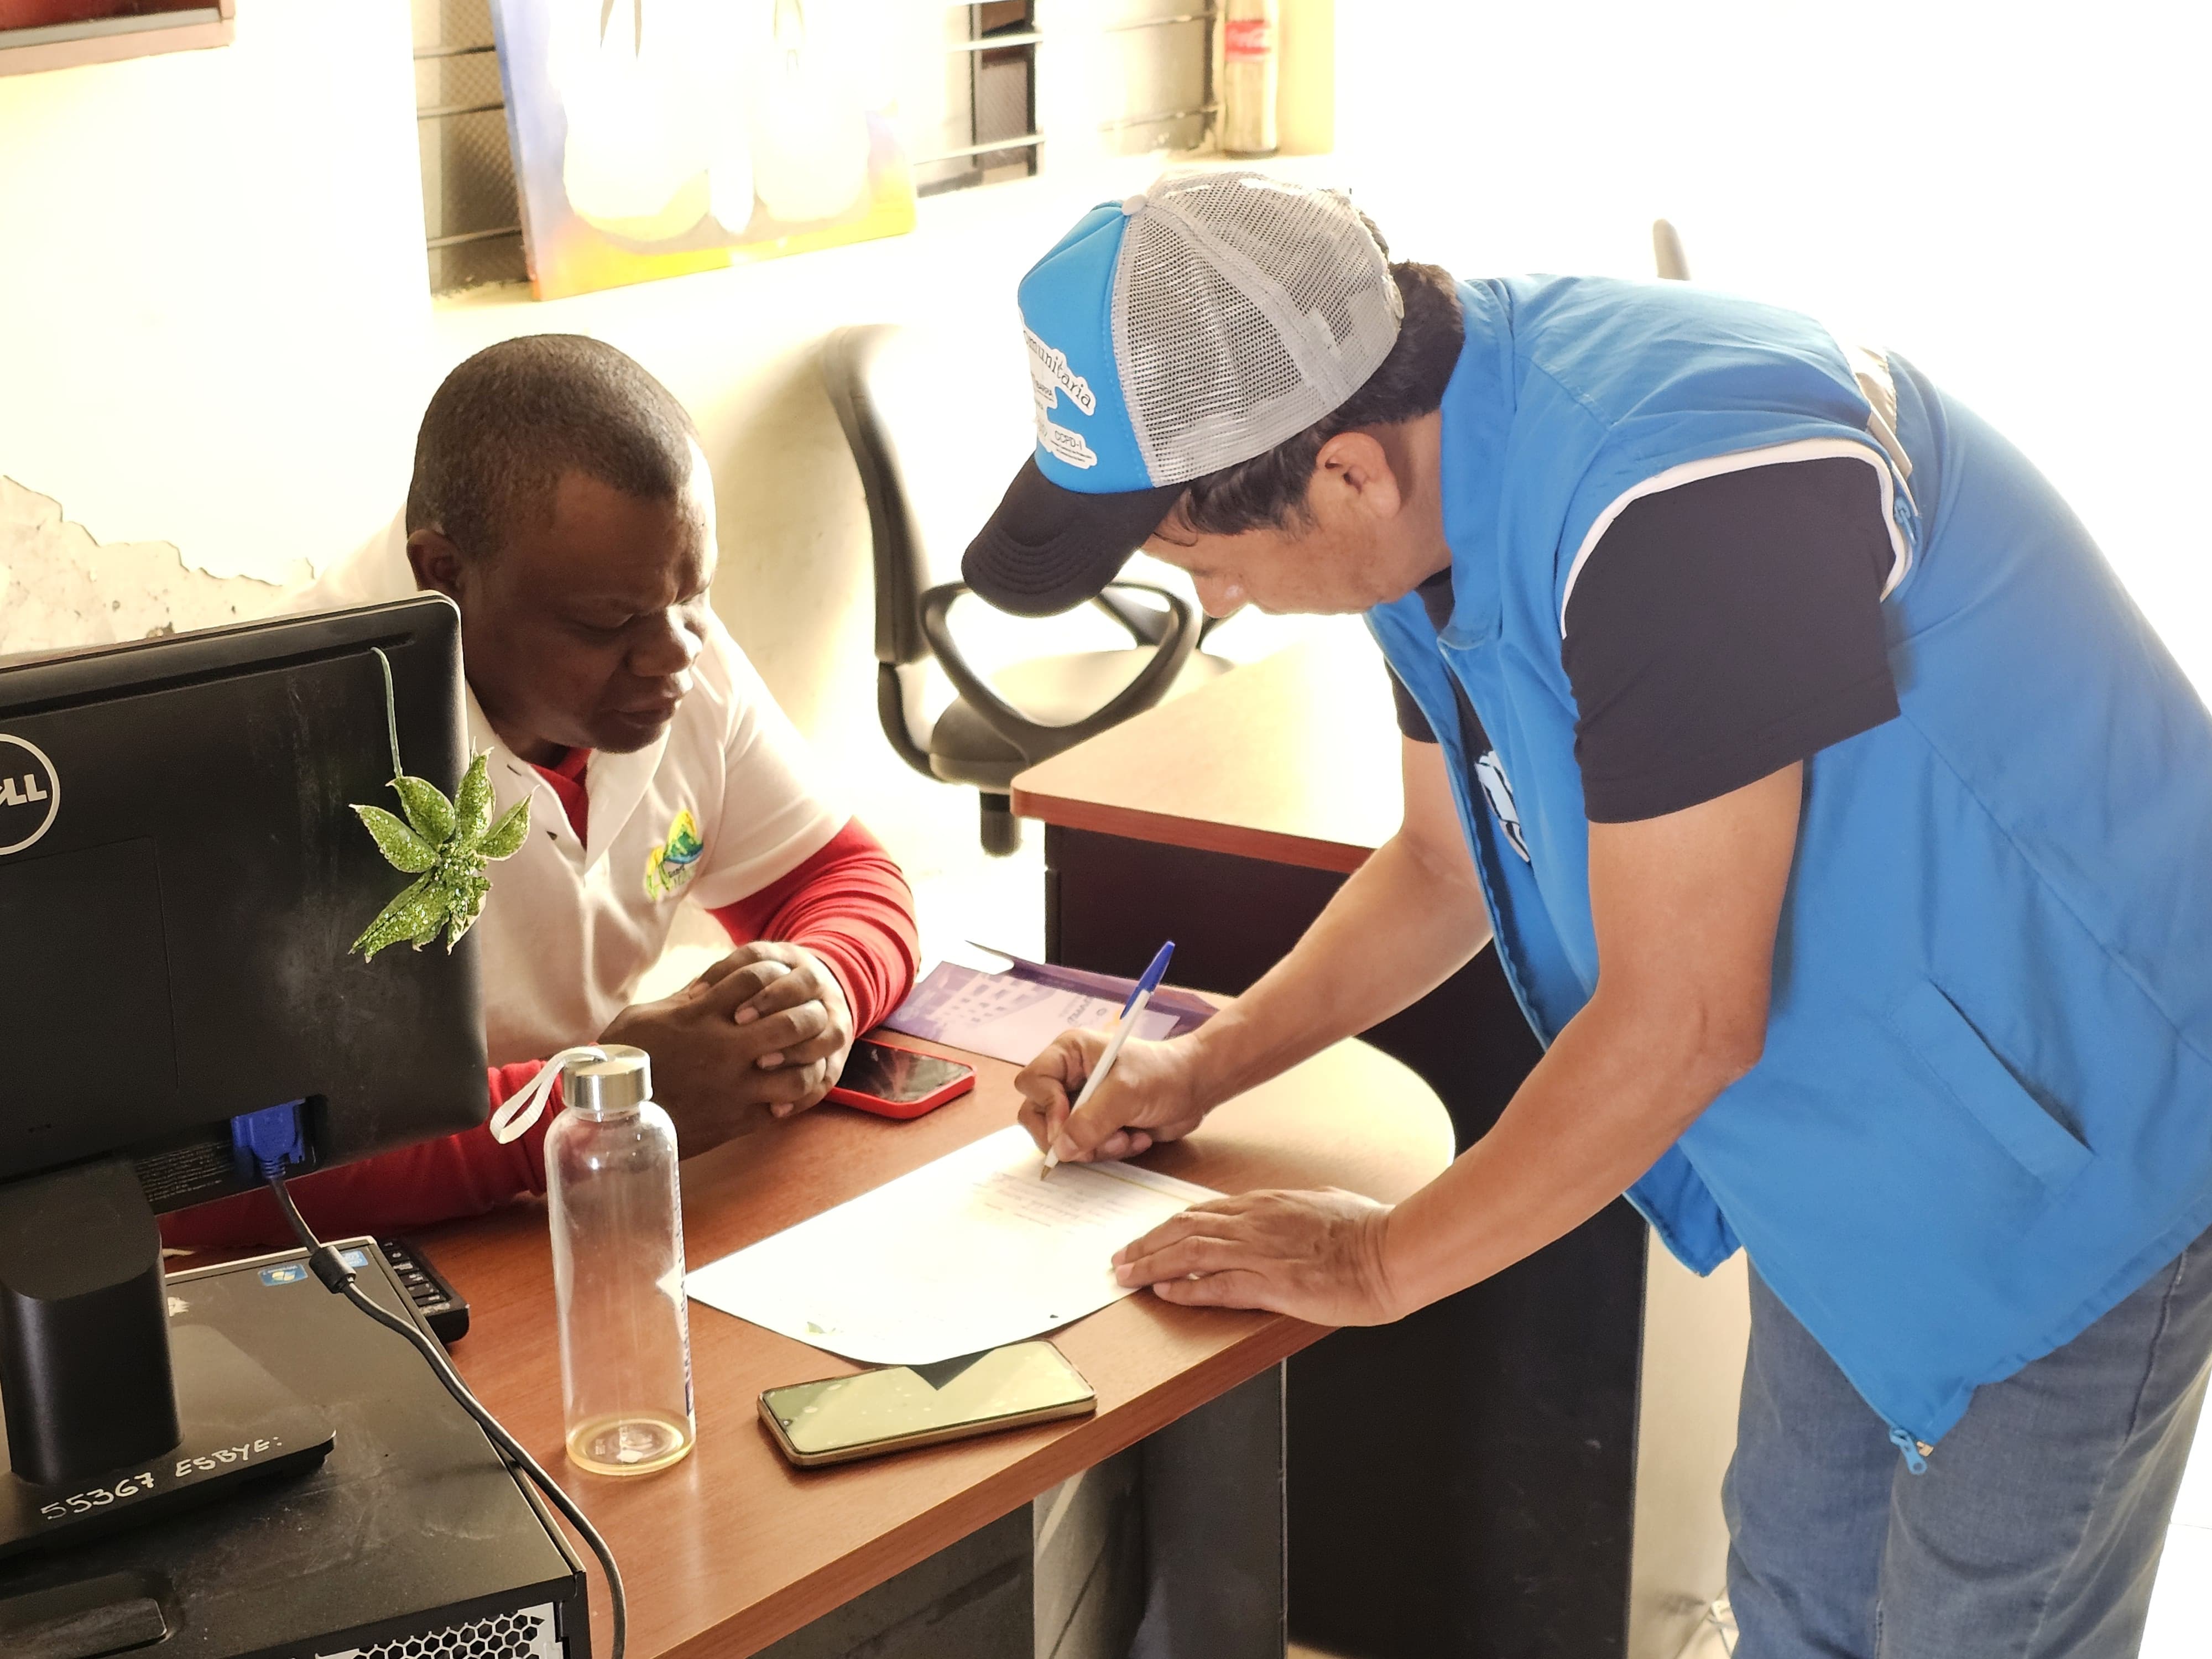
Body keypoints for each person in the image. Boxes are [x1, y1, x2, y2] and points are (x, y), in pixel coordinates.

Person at [969, 172, 2212, 1658]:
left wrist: (1376, 1265)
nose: (1220, 603)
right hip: (1859, 1133)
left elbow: (1683, 1021)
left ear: (1346, 475)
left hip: (2072, 1130)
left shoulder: (1684, 500)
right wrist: (1199, 1064)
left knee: (1975, 1628)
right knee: (1799, 1594)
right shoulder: (1416, 483)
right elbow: (1442, 865)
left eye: (1204, 562)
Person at [167, 335, 918, 1249]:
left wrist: (820, 990)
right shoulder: (281, 741)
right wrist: (590, 1102)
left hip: (576, 1214)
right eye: (608, 622)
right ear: (444, 574)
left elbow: (840, 879)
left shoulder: (665, 633)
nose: (676, 654)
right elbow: (212, 1170)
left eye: (696, 596)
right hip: (375, 1267)